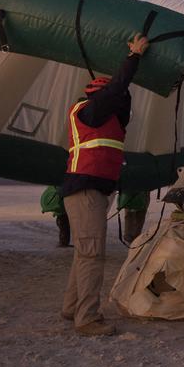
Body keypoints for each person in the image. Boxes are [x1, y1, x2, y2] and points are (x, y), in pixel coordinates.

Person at [59, 33, 149, 336]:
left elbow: (121, 100)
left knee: (84, 252)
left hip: (94, 190)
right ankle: (87, 318)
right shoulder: (88, 111)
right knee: (91, 253)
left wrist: (129, 76)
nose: (119, 103)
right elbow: (116, 92)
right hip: (85, 190)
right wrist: (134, 56)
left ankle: (72, 308)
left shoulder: (109, 118)